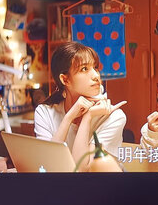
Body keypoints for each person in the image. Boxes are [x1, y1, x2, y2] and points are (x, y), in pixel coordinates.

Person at [34, 41, 127, 172]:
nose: (96, 76)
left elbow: (82, 170)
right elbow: (47, 166)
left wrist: (87, 117)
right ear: (65, 80)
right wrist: (68, 118)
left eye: (95, 68)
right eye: (84, 69)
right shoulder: (44, 112)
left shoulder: (114, 116)